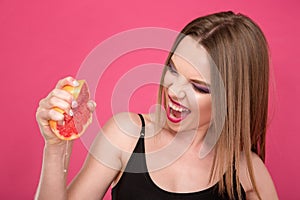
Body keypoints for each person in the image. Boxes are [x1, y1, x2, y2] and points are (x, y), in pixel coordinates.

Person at [35, 11, 278, 200]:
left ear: (232, 99)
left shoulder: (248, 174)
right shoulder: (125, 136)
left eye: (199, 87)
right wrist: (55, 149)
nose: (174, 91)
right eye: (173, 69)